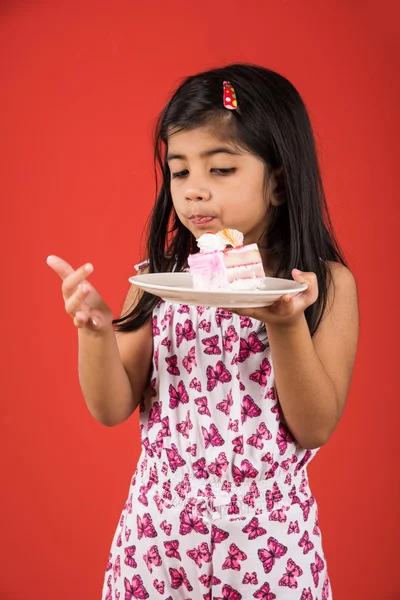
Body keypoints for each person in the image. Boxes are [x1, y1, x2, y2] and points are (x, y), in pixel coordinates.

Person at [47, 63, 359, 600]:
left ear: (279, 182)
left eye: (220, 170)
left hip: (269, 549)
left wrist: (284, 325)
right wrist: (95, 331)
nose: (192, 192)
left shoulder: (322, 283)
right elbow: (111, 407)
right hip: (157, 543)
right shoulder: (159, 279)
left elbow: (315, 427)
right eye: (180, 171)